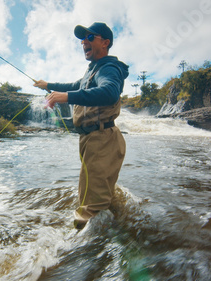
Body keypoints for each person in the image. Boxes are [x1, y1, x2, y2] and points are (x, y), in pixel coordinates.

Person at [34, 22, 129, 229]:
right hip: (95, 139)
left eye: (90, 37)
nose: (84, 42)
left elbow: (110, 91)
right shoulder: (92, 71)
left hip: (101, 140)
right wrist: (47, 85)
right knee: (98, 195)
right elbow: (71, 86)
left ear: (105, 43)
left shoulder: (108, 68)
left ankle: (82, 247)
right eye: (82, 39)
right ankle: (113, 234)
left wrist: (66, 97)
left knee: (89, 205)